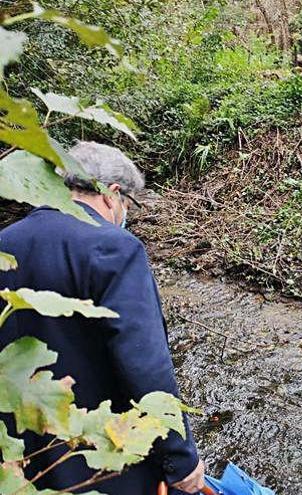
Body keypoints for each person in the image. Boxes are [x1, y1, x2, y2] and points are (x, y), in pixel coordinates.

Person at [0, 142, 205, 495]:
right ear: (112, 195)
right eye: (128, 203)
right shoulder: (114, 247)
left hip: (17, 459)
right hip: (98, 457)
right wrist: (180, 459)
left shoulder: (6, 240)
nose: (125, 214)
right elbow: (145, 364)